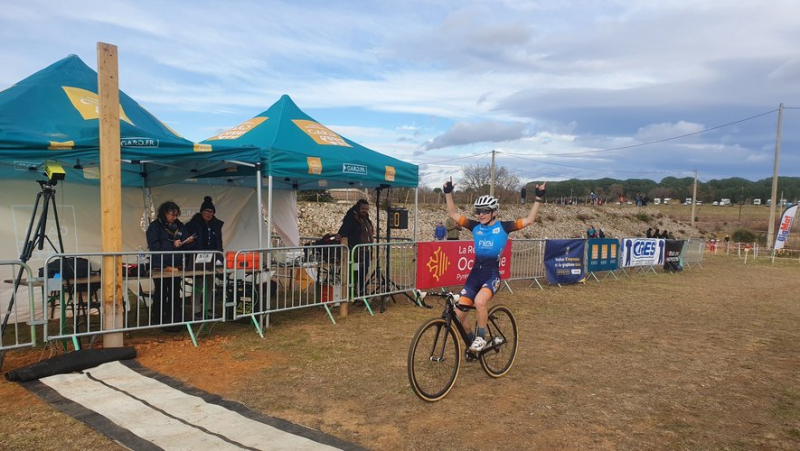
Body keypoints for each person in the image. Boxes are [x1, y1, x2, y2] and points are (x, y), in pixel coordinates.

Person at [443, 178, 546, 352]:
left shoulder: (504, 227)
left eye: (485, 211)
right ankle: (472, 343)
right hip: (474, 275)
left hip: (491, 275)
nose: (480, 214)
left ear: (494, 212)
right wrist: (448, 193)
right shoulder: (475, 226)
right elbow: (453, 214)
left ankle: (481, 338)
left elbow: (529, 220)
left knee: (480, 301)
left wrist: (538, 198)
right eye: (478, 211)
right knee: (459, 315)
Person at [146, 201, 195, 330]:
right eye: (172, 214)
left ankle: (174, 319)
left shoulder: (179, 225)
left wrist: (188, 241)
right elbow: (154, 246)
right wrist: (172, 245)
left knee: (174, 291)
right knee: (161, 291)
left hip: (176, 265)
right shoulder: (155, 226)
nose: (174, 217)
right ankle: (158, 319)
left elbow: (184, 241)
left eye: (176, 214)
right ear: (164, 213)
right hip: (159, 265)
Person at [185, 196, 224, 319]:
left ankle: (208, 308)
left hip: (211, 258)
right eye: (206, 211)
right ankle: (196, 310)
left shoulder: (216, 225)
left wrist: (220, 257)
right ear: (201, 211)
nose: (208, 214)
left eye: (211, 212)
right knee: (198, 284)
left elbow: (219, 242)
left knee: (209, 285)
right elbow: (188, 241)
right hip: (197, 259)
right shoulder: (192, 224)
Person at [337, 199, 374, 297]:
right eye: (362, 208)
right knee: (354, 273)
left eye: (366, 209)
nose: (364, 210)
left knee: (363, 273)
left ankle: (361, 293)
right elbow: (344, 232)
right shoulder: (351, 218)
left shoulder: (366, 219)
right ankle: (351, 293)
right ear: (358, 208)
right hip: (355, 252)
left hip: (366, 252)